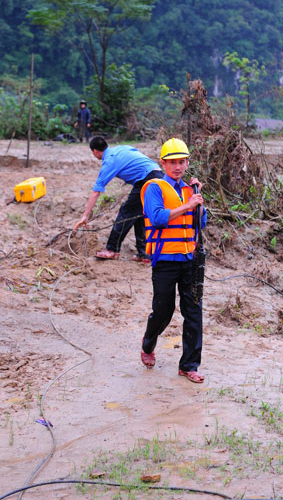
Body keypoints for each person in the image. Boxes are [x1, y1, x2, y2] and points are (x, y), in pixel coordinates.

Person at [140, 138, 207, 383]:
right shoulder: (154, 187)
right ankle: (148, 344)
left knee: (193, 311)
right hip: (165, 260)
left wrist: (198, 199)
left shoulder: (191, 190)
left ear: (187, 162)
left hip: (190, 260)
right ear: (163, 163)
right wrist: (188, 205)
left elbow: (201, 222)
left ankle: (189, 365)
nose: (177, 167)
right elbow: (157, 218)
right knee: (164, 310)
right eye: (172, 162)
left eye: (181, 162)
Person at [73, 136, 164, 261]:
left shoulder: (109, 161)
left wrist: (85, 215)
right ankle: (145, 253)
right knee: (139, 214)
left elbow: (96, 192)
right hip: (158, 174)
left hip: (146, 179)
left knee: (126, 212)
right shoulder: (121, 148)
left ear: (94, 151)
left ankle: (112, 249)